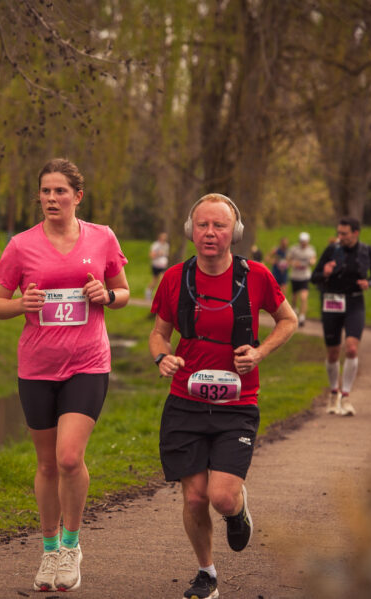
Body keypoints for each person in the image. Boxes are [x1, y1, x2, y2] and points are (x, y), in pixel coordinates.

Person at [0, 158, 130, 592]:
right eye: (46, 191)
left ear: (77, 196)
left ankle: (71, 545)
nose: (51, 198)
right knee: (46, 463)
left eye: (60, 191)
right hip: (37, 366)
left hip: (87, 361)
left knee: (70, 457)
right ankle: (49, 550)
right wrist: (22, 306)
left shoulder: (102, 237)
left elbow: (122, 291)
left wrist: (105, 293)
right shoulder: (20, 245)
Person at [149, 193, 297, 599]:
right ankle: (207, 574)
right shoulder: (175, 277)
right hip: (186, 401)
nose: (210, 233)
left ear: (236, 232)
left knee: (221, 497)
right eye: (202, 225)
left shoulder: (257, 276)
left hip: (237, 404)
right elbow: (160, 332)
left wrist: (261, 351)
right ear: (190, 230)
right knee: (195, 498)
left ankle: (238, 508)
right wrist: (162, 357)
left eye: (220, 226)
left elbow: (289, 320)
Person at [310, 217, 371, 416]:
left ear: (356, 233)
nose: (340, 237)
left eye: (344, 234)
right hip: (331, 302)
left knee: (351, 348)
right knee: (333, 352)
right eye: (338, 233)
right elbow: (313, 277)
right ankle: (334, 393)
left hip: (354, 303)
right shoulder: (332, 250)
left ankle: (346, 396)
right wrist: (324, 273)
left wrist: (369, 283)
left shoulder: (367, 251)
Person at [286, 232, 317, 327]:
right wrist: (294, 263)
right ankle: (294, 309)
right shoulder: (294, 249)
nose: (304, 243)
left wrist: (312, 261)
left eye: (305, 242)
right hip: (295, 276)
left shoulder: (311, 250)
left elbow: (314, 259)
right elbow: (288, 259)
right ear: (300, 241)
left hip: (305, 277)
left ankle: (302, 317)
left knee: (304, 297)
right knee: (294, 297)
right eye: (302, 241)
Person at [146, 232, 170, 301]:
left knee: (162, 280)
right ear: (160, 238)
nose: (164, 239)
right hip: (156, 265)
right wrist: (158, 254)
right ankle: (148, 292)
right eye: (163, 237)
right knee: (155, 281)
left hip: (163, 266)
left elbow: (166, 255)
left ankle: (161, 296)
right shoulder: (155, 245)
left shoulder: (166, 245)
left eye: (165, 237)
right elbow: (151, 255)